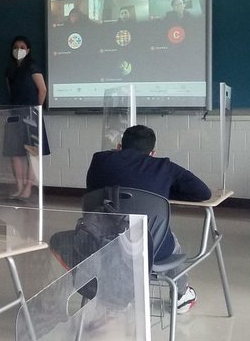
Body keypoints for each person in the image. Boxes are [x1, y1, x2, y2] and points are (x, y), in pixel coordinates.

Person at [85, 124, 211, 313]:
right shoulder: (164, 167)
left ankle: (119, 291)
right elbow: (203, 192)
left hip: (99, 245)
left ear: (119, 147)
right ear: (152, 152)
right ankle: (181, 296)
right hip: (149, 250)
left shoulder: (99, 160)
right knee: (168, 238)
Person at [2, 35, 49, 200]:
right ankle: (19, 187)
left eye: (22, 47)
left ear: (28, 50)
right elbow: (10, 91)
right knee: (15, 152)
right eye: (16, 47)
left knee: (32, 152)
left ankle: (28, 187)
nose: (18, 50)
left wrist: (36, 110)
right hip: (14, 113)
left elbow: (42, 90)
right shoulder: (10, 69)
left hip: (32, 114)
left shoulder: (32, 66)